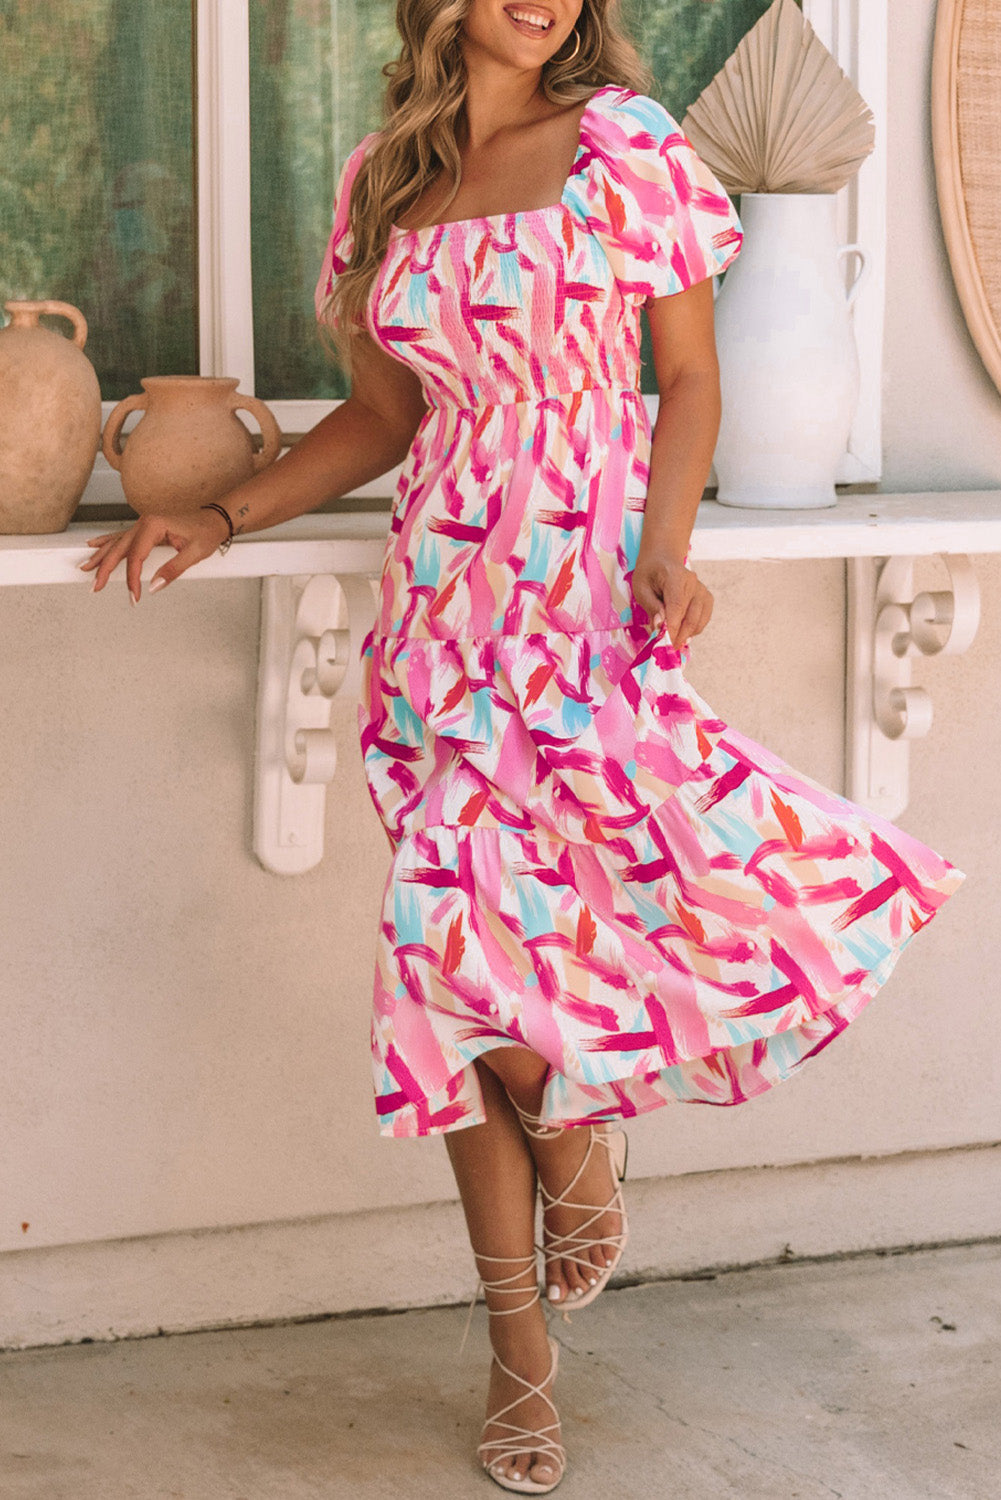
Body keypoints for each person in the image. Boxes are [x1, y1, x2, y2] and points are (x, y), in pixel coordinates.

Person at [82, 0, 965, 1491]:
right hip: (442, 608)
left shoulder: (626, 146)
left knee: (481, 962)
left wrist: (666, 550)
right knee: (444, 968)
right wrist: (222, 512)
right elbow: (381, 420)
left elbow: (690, 378)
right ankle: (537, 1280)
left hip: (578, 601)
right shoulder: (384, 176)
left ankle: (544, 1237)